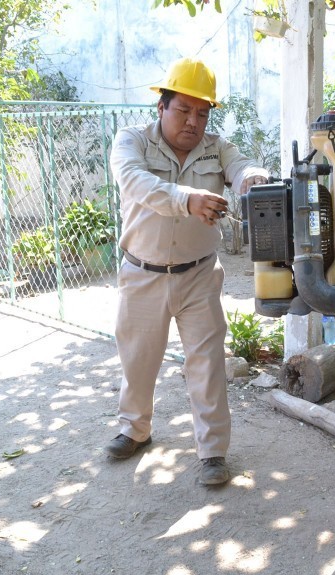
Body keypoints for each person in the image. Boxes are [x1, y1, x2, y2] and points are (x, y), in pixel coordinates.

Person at [105, 57, 268, 486]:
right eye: (184, 110)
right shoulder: (131, 141)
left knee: (207, 364)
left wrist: (253, 177)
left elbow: (241, 166)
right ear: (161, 106)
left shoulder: (218, 148)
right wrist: (187, 198)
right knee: (137, 362)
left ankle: (213, 451)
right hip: (142, 273)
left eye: (202, 112)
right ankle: (134, 430)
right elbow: (134, 183)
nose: (193, 121)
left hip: (198, 276)